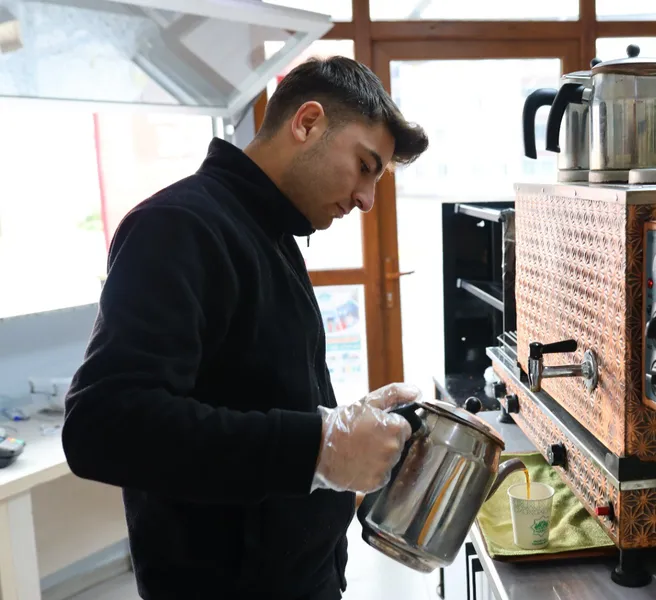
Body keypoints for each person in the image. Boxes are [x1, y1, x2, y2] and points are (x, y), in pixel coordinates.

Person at [61, 56, 429, 600]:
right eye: (364, 165)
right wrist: (319, 448)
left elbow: (254, 394)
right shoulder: (178, 226)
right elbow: (102, 426)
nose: (366, 200)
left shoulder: (271, 233)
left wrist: (341, 427)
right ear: (307, 122)